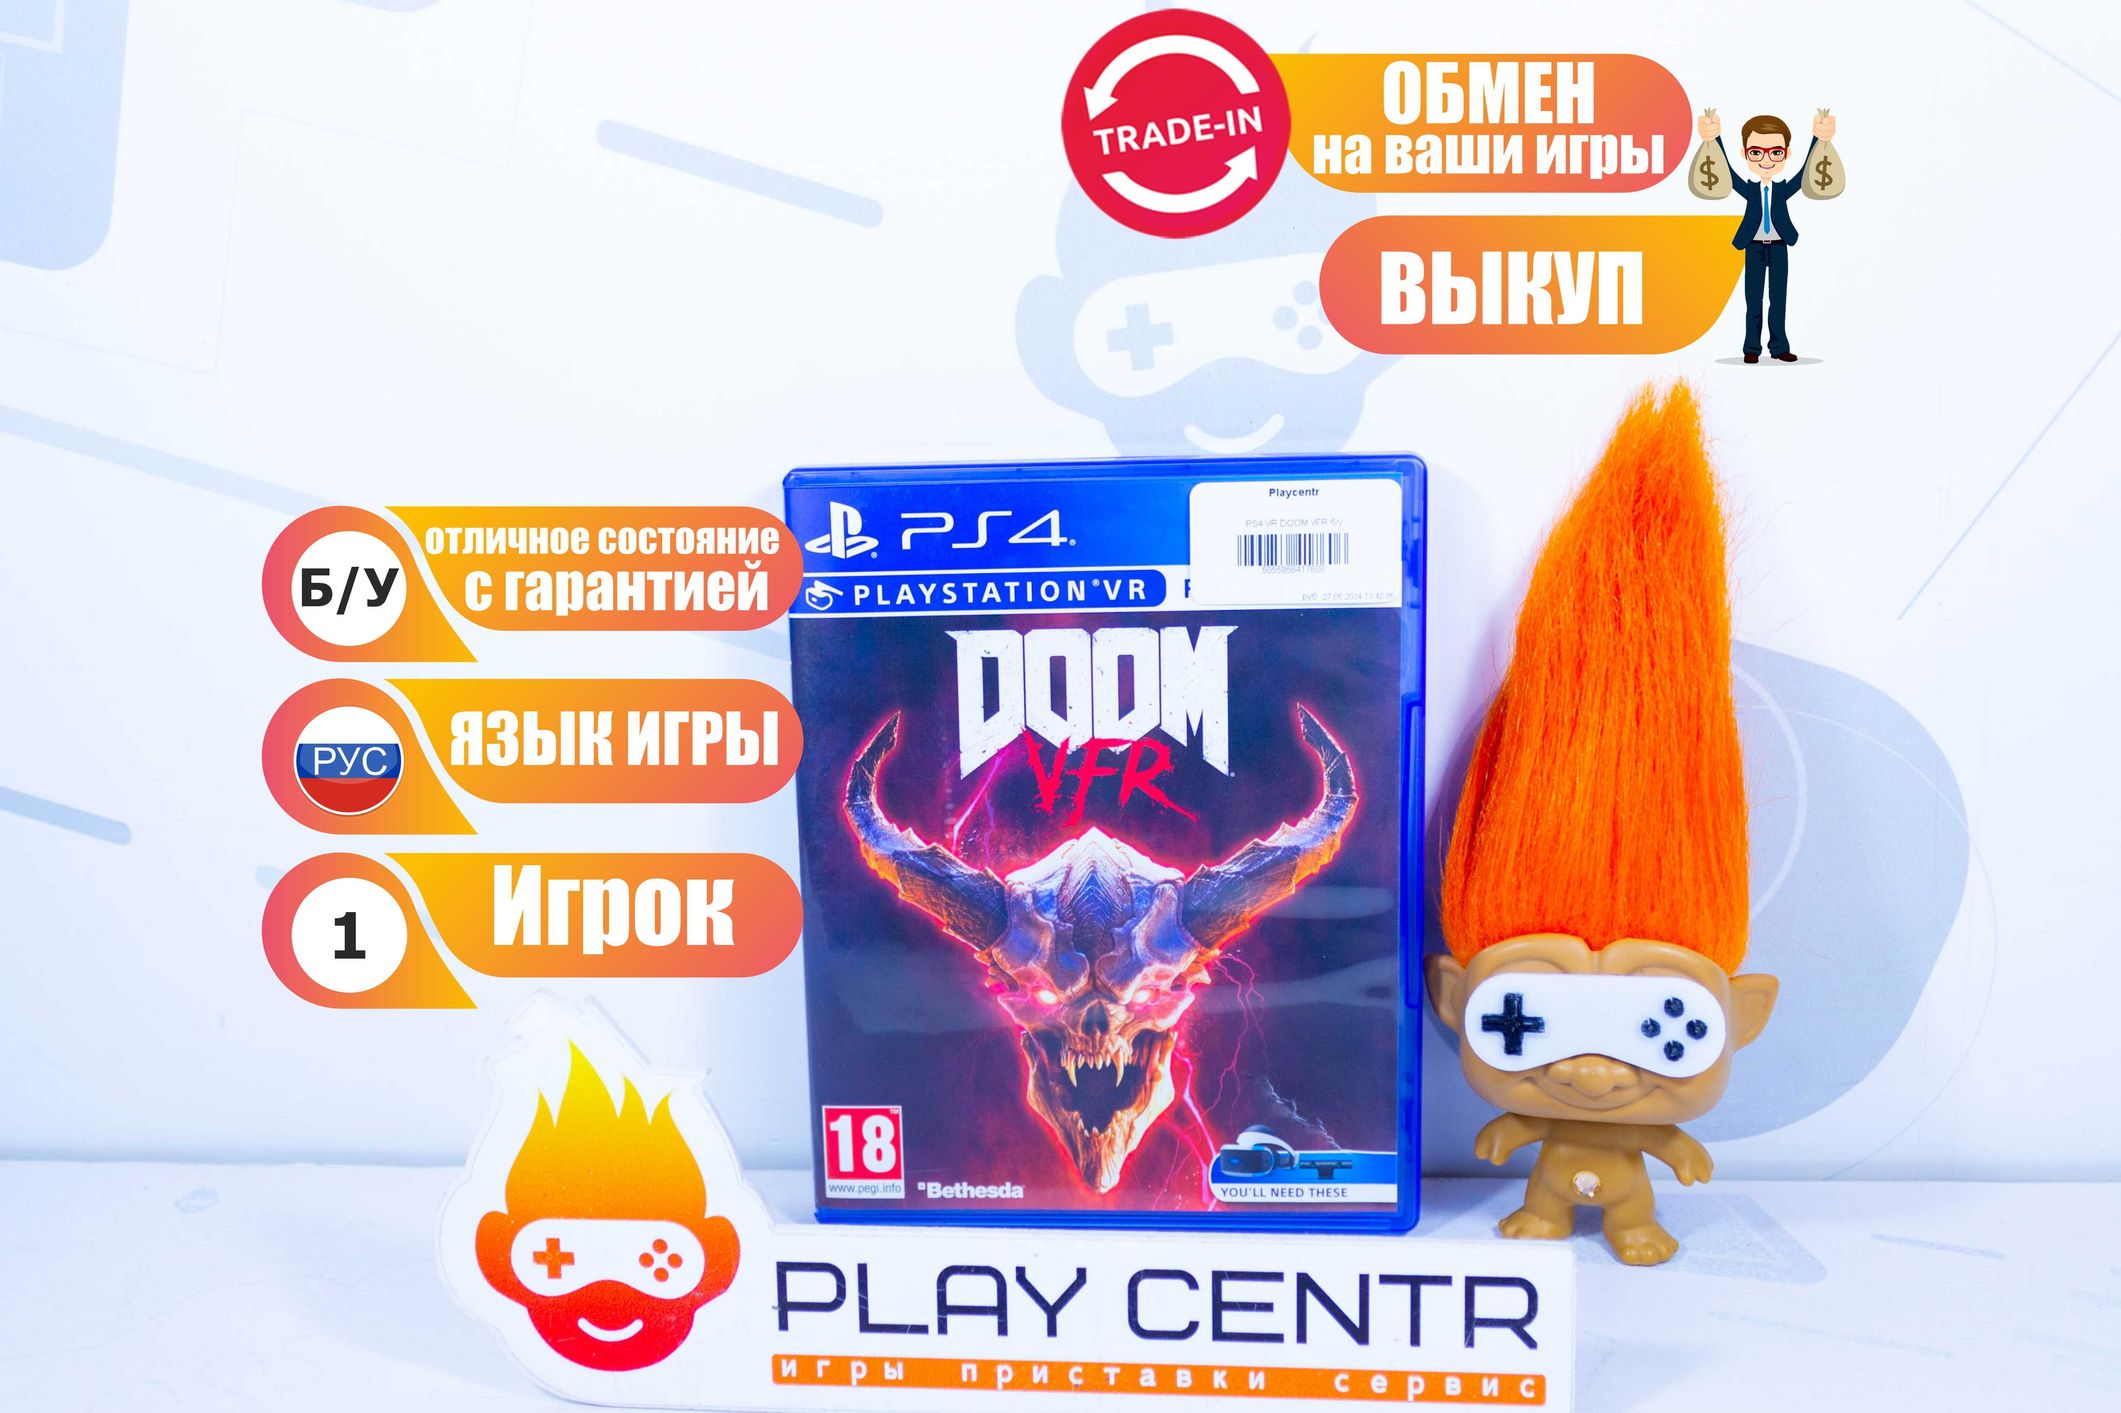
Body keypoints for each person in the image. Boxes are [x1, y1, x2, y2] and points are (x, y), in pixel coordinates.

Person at [1698, 109, 1837, 362]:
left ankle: (1779, 348)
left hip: (1778, 247)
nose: (1766, 159)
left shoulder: (1782, 190)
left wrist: (1818, 139)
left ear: (1786, 153)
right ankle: (1752, 349)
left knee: (1778, 300)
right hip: (1753, 248)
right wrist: (1714, 139)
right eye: (1756, 152)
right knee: (1753, 302)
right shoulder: (1750, 190)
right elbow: (1727, 173)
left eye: (1775, 152)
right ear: (1745, 154)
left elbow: (1805, 173)